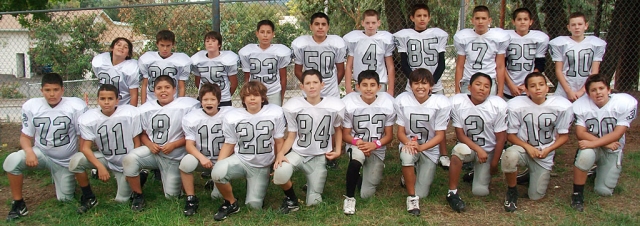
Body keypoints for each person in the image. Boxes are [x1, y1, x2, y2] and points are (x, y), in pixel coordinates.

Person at [4, 73, 87, 221]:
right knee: (12, 161)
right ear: (41, 90)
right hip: (42, 154)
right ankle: (18, 204)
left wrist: (77, 163)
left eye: (55, 89)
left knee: (65, 200)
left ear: (63, 90)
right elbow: (25, 136)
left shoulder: (75, 105)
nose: (52, 94)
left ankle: (63, 179)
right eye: (48, 90)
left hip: (65, 161)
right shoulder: (32, 106)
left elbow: (83, 137)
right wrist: (29, 151)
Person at [122, 75, 199, 211]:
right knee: (130, 159)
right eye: (159, 88)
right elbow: (142, 134)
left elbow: (192, 135)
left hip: (174, 156)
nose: (163, 91)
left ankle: (176, 182)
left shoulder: (186, 106)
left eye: (167, 87)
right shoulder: (145, 109)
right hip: (153, 152)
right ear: (154, 91)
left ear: (174, 89)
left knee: (172, 196)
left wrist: (174, 144)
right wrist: (150, 144)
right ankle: (138, 195)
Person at [211, 81, 285, 221]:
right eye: (248, 95)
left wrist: (277, 163)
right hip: (241, 160)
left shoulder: (274, 112)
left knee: (253, 205)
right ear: (243, 99)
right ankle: (231, 202)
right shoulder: (234, 116)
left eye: (256, 95)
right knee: (218, 171)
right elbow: (229, 143)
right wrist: (219, 165)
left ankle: (254, 186)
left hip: (262, 165)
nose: (252, 98)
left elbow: (279, 141)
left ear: (263, 98)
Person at [273, 69, 345, 214]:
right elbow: (292, 135)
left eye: (315, 82)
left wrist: (337, 150)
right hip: (299, 153)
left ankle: (311, 186)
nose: (311, 86)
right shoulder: (294, 106)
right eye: (308, 83)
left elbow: (338, 129)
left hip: (319, 157)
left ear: (322, 85)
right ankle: (291, 200)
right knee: (280, 173)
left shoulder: (334, 106)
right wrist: (281, 154)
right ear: (302, 87)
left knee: (314, 202)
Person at [501, 72, 573, 212]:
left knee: (535, 196)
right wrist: (528, 147)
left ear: (547, 88)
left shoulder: (561, 106)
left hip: (544, 152)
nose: (537, 88)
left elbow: (564, 137)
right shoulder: (516, 105)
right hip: (523, 149)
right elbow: (510, 135)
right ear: (526, 90)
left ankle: (530, 174)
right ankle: (512, 191)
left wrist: (548, 149)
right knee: (509, 155)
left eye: (541, 85)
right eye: (532, 86)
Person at [68, 84, 143, 213]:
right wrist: (99, 167)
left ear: (117, 100)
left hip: (126, 160)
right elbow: (85, 148)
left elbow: (137, 142)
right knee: (76, 162)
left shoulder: (130, 113)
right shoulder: (89, 118)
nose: (106, 102)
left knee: (122, 200)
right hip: (107, 158)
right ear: (97, 100)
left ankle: (138, 185)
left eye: (110, 98)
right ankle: (89, 198)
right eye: (103, 99)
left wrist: (134, 166)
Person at [393, 3, 451, 169]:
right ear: (412, 18)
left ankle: (443, 153)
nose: (422, 19)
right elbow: (404, 63)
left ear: (429, 17)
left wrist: (431, 83)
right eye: (418, 16)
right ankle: (412, 149)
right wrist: (415, 81)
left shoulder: (438, 34)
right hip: (414, 83)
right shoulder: (405, 36)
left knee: (439, 121)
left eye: (425, 16)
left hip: (434, 82)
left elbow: (441, 63)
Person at [570, 74, 636, 212]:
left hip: (612, 148)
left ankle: (595, 171)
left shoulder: (623, 103)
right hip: (597, 146)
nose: (598, 92)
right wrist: (603, 144)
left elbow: (618, 134)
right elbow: (580, 133)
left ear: (609, 90)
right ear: (588, 94)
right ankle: (577, 195)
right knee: (585, 155)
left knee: (603, 191)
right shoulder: (580, 106)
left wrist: (595, 143)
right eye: (593, 90)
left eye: (601, 88)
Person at [446, 72, 507, 213]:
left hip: (488, 152)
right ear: (469, 86)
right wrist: (478, 149)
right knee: (459, 150)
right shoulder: (458, 102)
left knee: (480, 191)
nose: (482, 88)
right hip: (470, 148)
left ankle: (476, 172)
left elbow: (501, 139)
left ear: (490, 90)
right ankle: (452, 192)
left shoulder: (497, 105)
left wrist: (494, 163)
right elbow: (460, 135)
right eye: (478, 84)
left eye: (486, 86)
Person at [394, 68, 451, 216]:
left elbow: (440, 135)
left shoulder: (441, 103)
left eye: (424, 83)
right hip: (410, 144)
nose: (420, 87)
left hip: (429, 147)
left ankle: (410, 175)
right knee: (407, 156)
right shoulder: (402, 100)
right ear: (410, 85)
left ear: (431, 86)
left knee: (423, 193)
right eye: (416, 83)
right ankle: (412, 197)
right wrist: (409, 143)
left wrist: (421, 147)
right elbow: (400, 132)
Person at [341, 70, 395, 215]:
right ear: (357, 86)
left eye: (372, 85)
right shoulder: (349, 103)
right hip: (357, 144)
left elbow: (389, 136)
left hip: (377, 148)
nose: (368, 89)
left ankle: (361, 176)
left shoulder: (387, 103)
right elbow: (345, 135)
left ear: (379, 87)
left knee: (366, 194)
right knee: (356, 159)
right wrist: (359, 143)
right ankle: (350, 198)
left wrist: (374, 145)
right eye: (364, 85)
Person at [178, 83, 231, 216]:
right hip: (202, 159)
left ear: (219, 101)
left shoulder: (230, 115)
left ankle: (215, 180)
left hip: (222, 160)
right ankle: (191, 198)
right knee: (185, 163)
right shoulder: (192, 117)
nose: (209, 102)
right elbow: (189, 145)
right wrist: (202, 158)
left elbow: (233, 142)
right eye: (205, 99)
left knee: (216, 197)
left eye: (212, 99)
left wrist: (220, 162)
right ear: (200, 101)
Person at [454, 5, 510, 97]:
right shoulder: (464, 37)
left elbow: (500, 67)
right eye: (477, 18)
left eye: (484, 18)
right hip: (469, 80)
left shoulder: (498, 37)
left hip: (489, 80)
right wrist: (457, 90)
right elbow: (460, 66)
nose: (480, 21)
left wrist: (500, 92)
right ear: (472, 20)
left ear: (489, 20)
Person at [549, 12, 606, 102]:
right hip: (565, 89)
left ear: (586, 26)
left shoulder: (595, 44)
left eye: (580, 24)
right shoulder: (560, 43)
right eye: (573, 25)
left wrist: (582, 91)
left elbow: (594, 71)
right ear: (569, 27)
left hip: (586, 88)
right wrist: (568, 91)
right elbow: (558, 70)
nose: (577, 27)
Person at [292, 12, 347, 98]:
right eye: (317, 24)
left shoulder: (336, 43)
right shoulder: (301, 44)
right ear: (311, 26)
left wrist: (332, 85)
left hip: (330, 91)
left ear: (328, 27)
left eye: (323, 24)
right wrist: (308, 84)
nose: (320, 27)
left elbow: (341, 71)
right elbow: (297, 71)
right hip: (310, 92)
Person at [239, 20, 291, 106]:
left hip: (273, 91)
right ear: (257, 33)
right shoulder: (248, 51)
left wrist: (281, 95)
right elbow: (247, 77)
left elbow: (283, 77)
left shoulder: (279, 51)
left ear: (273, 34)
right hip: (255, 92)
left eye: (268, 32)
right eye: (262, 32)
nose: (265, 35)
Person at [343, 9, 395, 95]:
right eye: (367, 23)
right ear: (362, 23)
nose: (370, 26)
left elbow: (390, 67)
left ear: (379, 23)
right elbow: (349, 66)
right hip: (360, 82)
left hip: (380, 82)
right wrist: (348, 87)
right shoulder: (354, 39)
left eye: (373, 23)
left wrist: (391, 89)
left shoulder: (385, 39)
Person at [503, 8, 549, 99]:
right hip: (509, 86)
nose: (522, 22)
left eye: (525, 19)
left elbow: (539, 65)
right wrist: (510, 85)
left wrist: (527, 84)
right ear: (513, 21)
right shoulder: (505, 37)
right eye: (519, 19)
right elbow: (501, 64)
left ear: (531, 22)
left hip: (530, 86)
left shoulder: (539, 38)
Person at [139, 30, 192, 104]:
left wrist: (179, 104)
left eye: (168, 46)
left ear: (173, 44)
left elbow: (181, 87)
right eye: (162, 45)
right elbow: (144, 85)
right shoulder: (147, 58)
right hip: (151, 101)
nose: (165, 49)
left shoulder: (181, 60)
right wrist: (143, 105)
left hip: (171, 101)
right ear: (157, 44)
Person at [191, 31, 239, 107]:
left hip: (223, 99)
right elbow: (197, 82)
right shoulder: (198, 59)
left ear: (219, 44)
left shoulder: (227, 59)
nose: (210, 43)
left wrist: (224, 95)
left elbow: (234, 83)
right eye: (207, 41)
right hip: (205, 98)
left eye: (213, 41)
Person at [92, 37, 140, 106]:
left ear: (128, 54)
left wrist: (132, 112)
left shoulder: (131, 67)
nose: (121, 47)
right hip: (104, 106)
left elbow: (134, 95)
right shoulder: (100, 61)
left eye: (125, 47)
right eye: (118, 45)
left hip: (122, 106)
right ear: (112, 48)